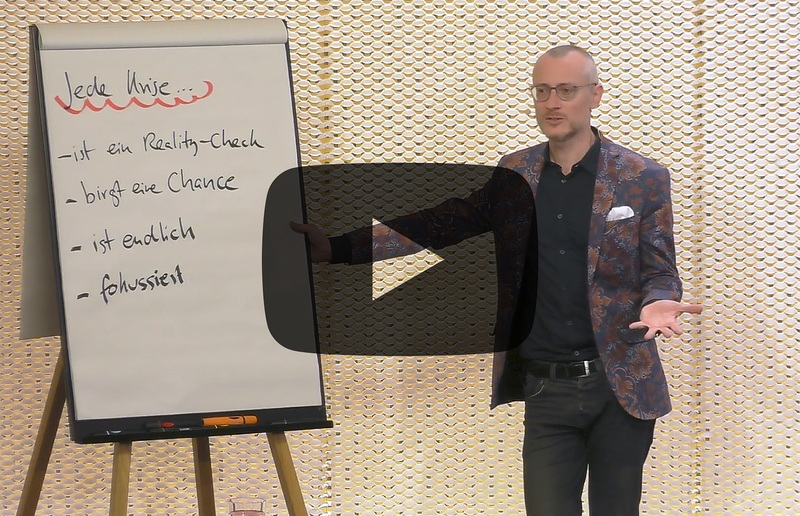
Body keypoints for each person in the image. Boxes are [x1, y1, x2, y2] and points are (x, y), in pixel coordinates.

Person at [291, 45, 702, 516]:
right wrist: (339, 248)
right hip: (546, 388)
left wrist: (659, 299)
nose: (552, 103)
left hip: (620, 385)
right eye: (542, 91)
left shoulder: (641, 176)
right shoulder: (515, 172)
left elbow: (660, 268)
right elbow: (442, 222)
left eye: (566, 90)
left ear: (595, 95)